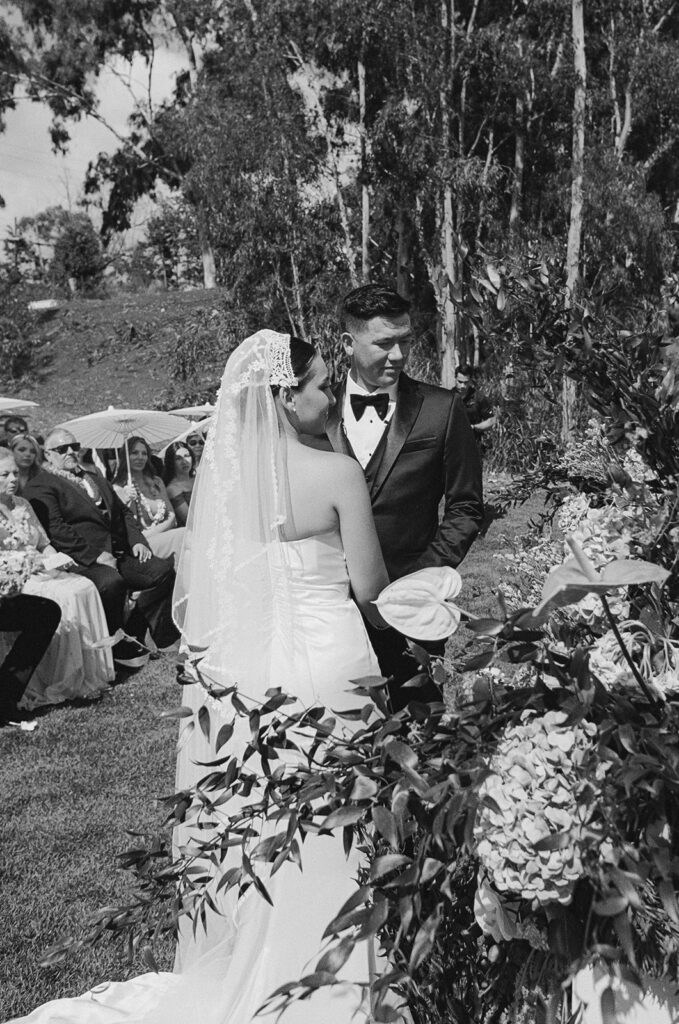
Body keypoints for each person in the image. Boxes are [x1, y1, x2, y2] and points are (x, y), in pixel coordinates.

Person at [9, 331, 408, 1024]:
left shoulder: (226, 483)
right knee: (340, 816)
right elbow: (370, 588)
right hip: (331, 662)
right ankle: (341, 971)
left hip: (252, 675)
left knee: (264, 819)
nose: (332, 397)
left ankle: (262, 954)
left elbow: (215, 588)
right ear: (285, 397)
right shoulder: (336, 473)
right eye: (320, 386)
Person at [320, 284, 483, 709]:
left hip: (415, 610)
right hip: (331, 610)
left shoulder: (441, 408)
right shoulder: (316, 413)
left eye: (405, 342)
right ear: (347, 343)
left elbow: (466, 506)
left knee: (422, 734)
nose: (398, 355)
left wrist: (423, 578)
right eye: (384, 343)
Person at [21, 428, 178, 670]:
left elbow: (123, 512)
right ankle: (115, 646)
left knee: (163, 571)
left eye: (75, 446)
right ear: (48, 454)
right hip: (81, 560)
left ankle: (145, 633)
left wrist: (137, 540)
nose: (71, 452)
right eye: (62, 449)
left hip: (119, 551)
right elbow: (57, 529)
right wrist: (96, 556)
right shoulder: (40, 485)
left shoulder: (92, 475)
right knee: (111, 583)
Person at [0, 447, 114, 711]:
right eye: (4, 474)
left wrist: (57, 559)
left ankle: (80, 673)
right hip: (14, 579)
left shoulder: (23, 505)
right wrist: (31, 565)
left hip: (42, 569)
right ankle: (53, 678)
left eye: (15, 473)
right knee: (66, 595)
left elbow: (44, 544)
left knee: (84, 586)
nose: (12, 479)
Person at [112, 436, 185, 563]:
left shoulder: (156, 481)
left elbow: (172, 517)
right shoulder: (117, 489)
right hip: (141, 545)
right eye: (134, 453)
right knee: (183, 535)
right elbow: (124, 528)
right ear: (125, 457)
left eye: (144, 453)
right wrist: (126, 500)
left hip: (166, 535)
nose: (140, 457)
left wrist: (156, 531)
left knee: (186, 543)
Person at [455, 363, 497, 442]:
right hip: (453, 444)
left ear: (470, 380)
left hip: (474, 443)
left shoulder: (479, 397)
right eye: (460, 382)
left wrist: (474, 427)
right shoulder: (449, 396)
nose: (462, 386)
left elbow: (492, 421)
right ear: (455, 379)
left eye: (466, 382)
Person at [163, 441, 195, 526]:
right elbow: (189, 520)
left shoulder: (198, 478)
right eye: (178, 458)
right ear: (171, 462)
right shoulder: (173, 488)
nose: (184, 461)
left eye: (187, 456)